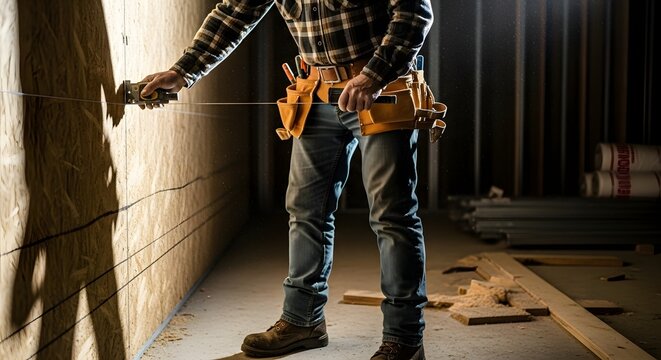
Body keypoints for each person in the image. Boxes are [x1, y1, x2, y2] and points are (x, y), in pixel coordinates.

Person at [140, 1, 433, 359]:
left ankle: (404, 340)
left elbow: (414, 12)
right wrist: (182, 72)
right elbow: (234, 14)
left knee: (392, 216)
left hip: (383, 88)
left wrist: (374, 75)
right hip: (315, 92)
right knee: (305, 209)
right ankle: (302, 321)